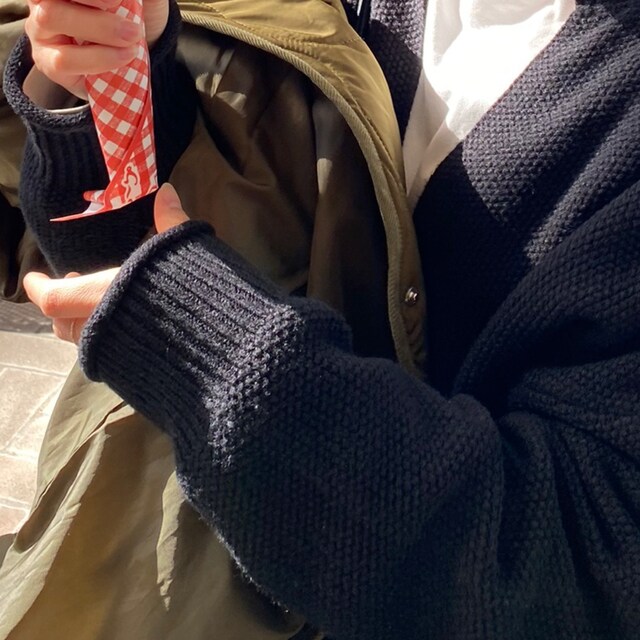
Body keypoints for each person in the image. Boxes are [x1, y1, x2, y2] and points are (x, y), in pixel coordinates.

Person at [2, 0, 640, 638]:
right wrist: (98, 86)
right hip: (139, 565)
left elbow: (578, 570)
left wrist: (199, 341)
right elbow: (105, 252)